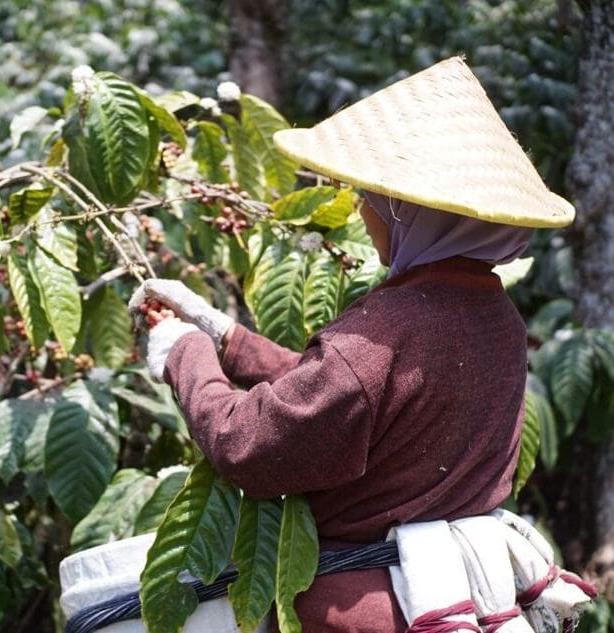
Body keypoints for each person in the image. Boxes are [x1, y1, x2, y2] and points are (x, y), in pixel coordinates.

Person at [130, 57, 576, 631]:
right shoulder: (495, 314)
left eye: (374, 200)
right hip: (460, 598)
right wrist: (224, 334)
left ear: (412, 215)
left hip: (365, 610)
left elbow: (250, 448)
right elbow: (363, 400)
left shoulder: (389, 326)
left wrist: (181, 354)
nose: (362, 213)